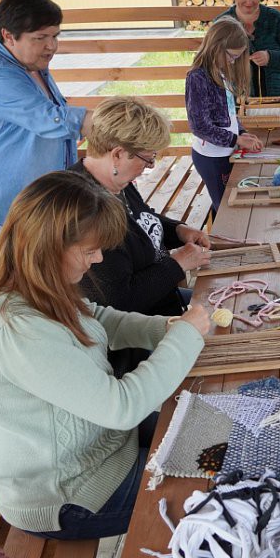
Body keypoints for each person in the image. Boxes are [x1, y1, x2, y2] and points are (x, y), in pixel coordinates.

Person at [0, 170, 211, 540]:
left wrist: (167, 328)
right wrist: (184, 338)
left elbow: (99, 318)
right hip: (71, 492)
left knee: (217, 435)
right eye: (90, 250)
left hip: (102, 445)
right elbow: (121, 406)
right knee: (215, 485)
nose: (98, 259)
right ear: (48, 245)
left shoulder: (32, 282)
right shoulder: (16, 328)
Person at [69, 96, 212, 376]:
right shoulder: (87, 208)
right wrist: (178, 262)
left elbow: (143, 218)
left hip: (163, 305)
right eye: (147, 159)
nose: (150, 167)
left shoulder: (115, 181)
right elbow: (120, 302)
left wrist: (179, 230)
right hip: (135, 341)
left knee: (224, 303)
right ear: (119, 154)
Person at [0, 0, 91, 249]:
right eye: (41, 37)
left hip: (21, 197)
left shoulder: (33, 65)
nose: (52, 46)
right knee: (19, 281)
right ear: (8, 36)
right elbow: (50, 119)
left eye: (55, 36)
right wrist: (114, 124)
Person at [186, 16, 263, 216]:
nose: (232, 60)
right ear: (216, 47)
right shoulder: (197, 78)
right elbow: (200, 126)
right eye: (231, 55)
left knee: (226, 203)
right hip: (211, 157)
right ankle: (220, 244)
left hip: (225, 152)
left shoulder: (220, 72)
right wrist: (235, 139)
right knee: (225, 210)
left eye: (237, 57)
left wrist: (242, 134)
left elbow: (229, 112)